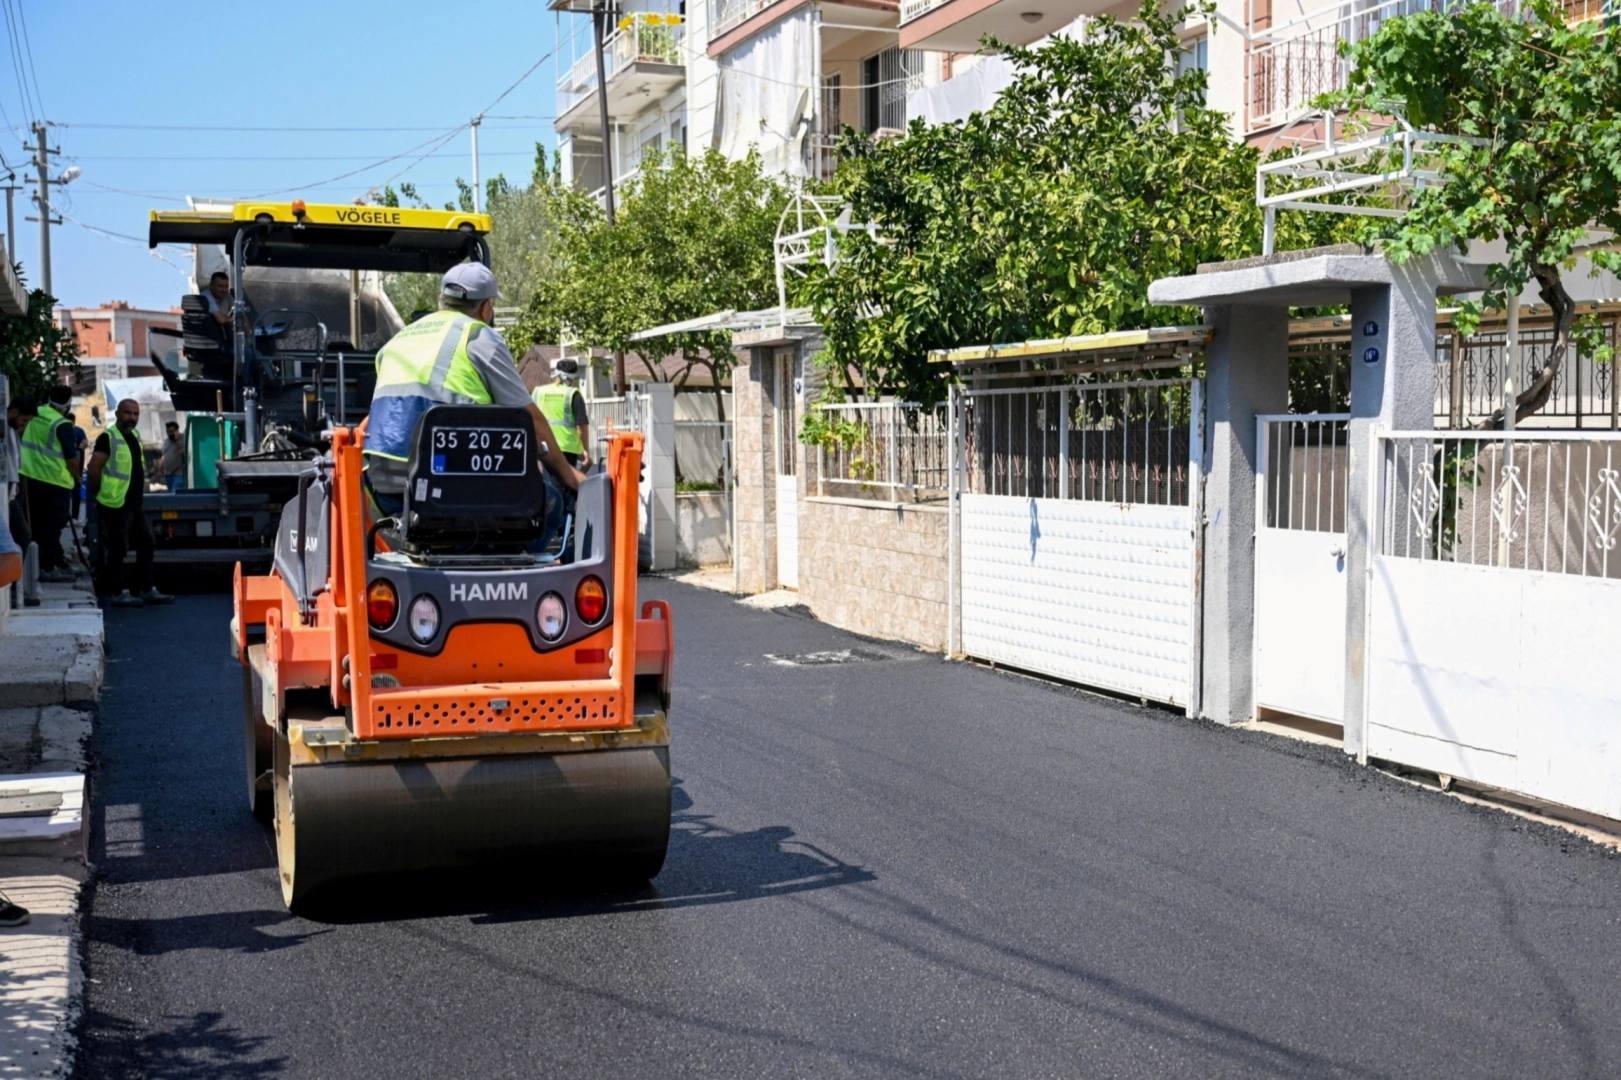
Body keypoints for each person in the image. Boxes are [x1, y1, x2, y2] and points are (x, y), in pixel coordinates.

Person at [363, 263, 583, 530]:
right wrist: (569, 474)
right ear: (486, 307)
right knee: (550, 505)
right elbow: (529, 419)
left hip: (385, 493)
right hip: (456, 492)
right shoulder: (478, 336)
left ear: (440, 299)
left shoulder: (396, 341)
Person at [88, 398, 173, 608]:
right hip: (114, 502)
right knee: (118, 548)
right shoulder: (108, 437)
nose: (132, 418)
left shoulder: (134, 437)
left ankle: (145, 588)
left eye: (135, 414)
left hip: (133, 503)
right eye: (127, 413)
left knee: (147, 542)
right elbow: (93, 469)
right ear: (117, 414)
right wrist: (99, 493)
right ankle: (118, 591)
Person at [7, 394, 80, 583]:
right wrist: (78, 478)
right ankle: (46, 566)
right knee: (53, 526)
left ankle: (53, 562)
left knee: (38, 526)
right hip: (55, 481)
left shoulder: (37, 414)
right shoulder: (61, 423)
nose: (24, 423)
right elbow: (72, 460)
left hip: (29, 477)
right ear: (67, 406)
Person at [530, 356, 592, 469]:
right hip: (566, 449)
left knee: (542, 480)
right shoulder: (573, 394)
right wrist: (585, 450)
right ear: (571, 378)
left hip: (541, 446)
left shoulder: (538, 391)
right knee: (565, 480)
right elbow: (581, 426)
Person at [160, 421, 186, 492]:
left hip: (178, 473)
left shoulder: (183, 439)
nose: (169, 434)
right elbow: (164, 455)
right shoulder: (166, 441)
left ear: (177, 431)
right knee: (170, 494)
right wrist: (160, 468)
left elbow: (183, 452)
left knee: (174, 492)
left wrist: (177, 440)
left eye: (171, 432)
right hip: (167, 474)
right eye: (167, 432)